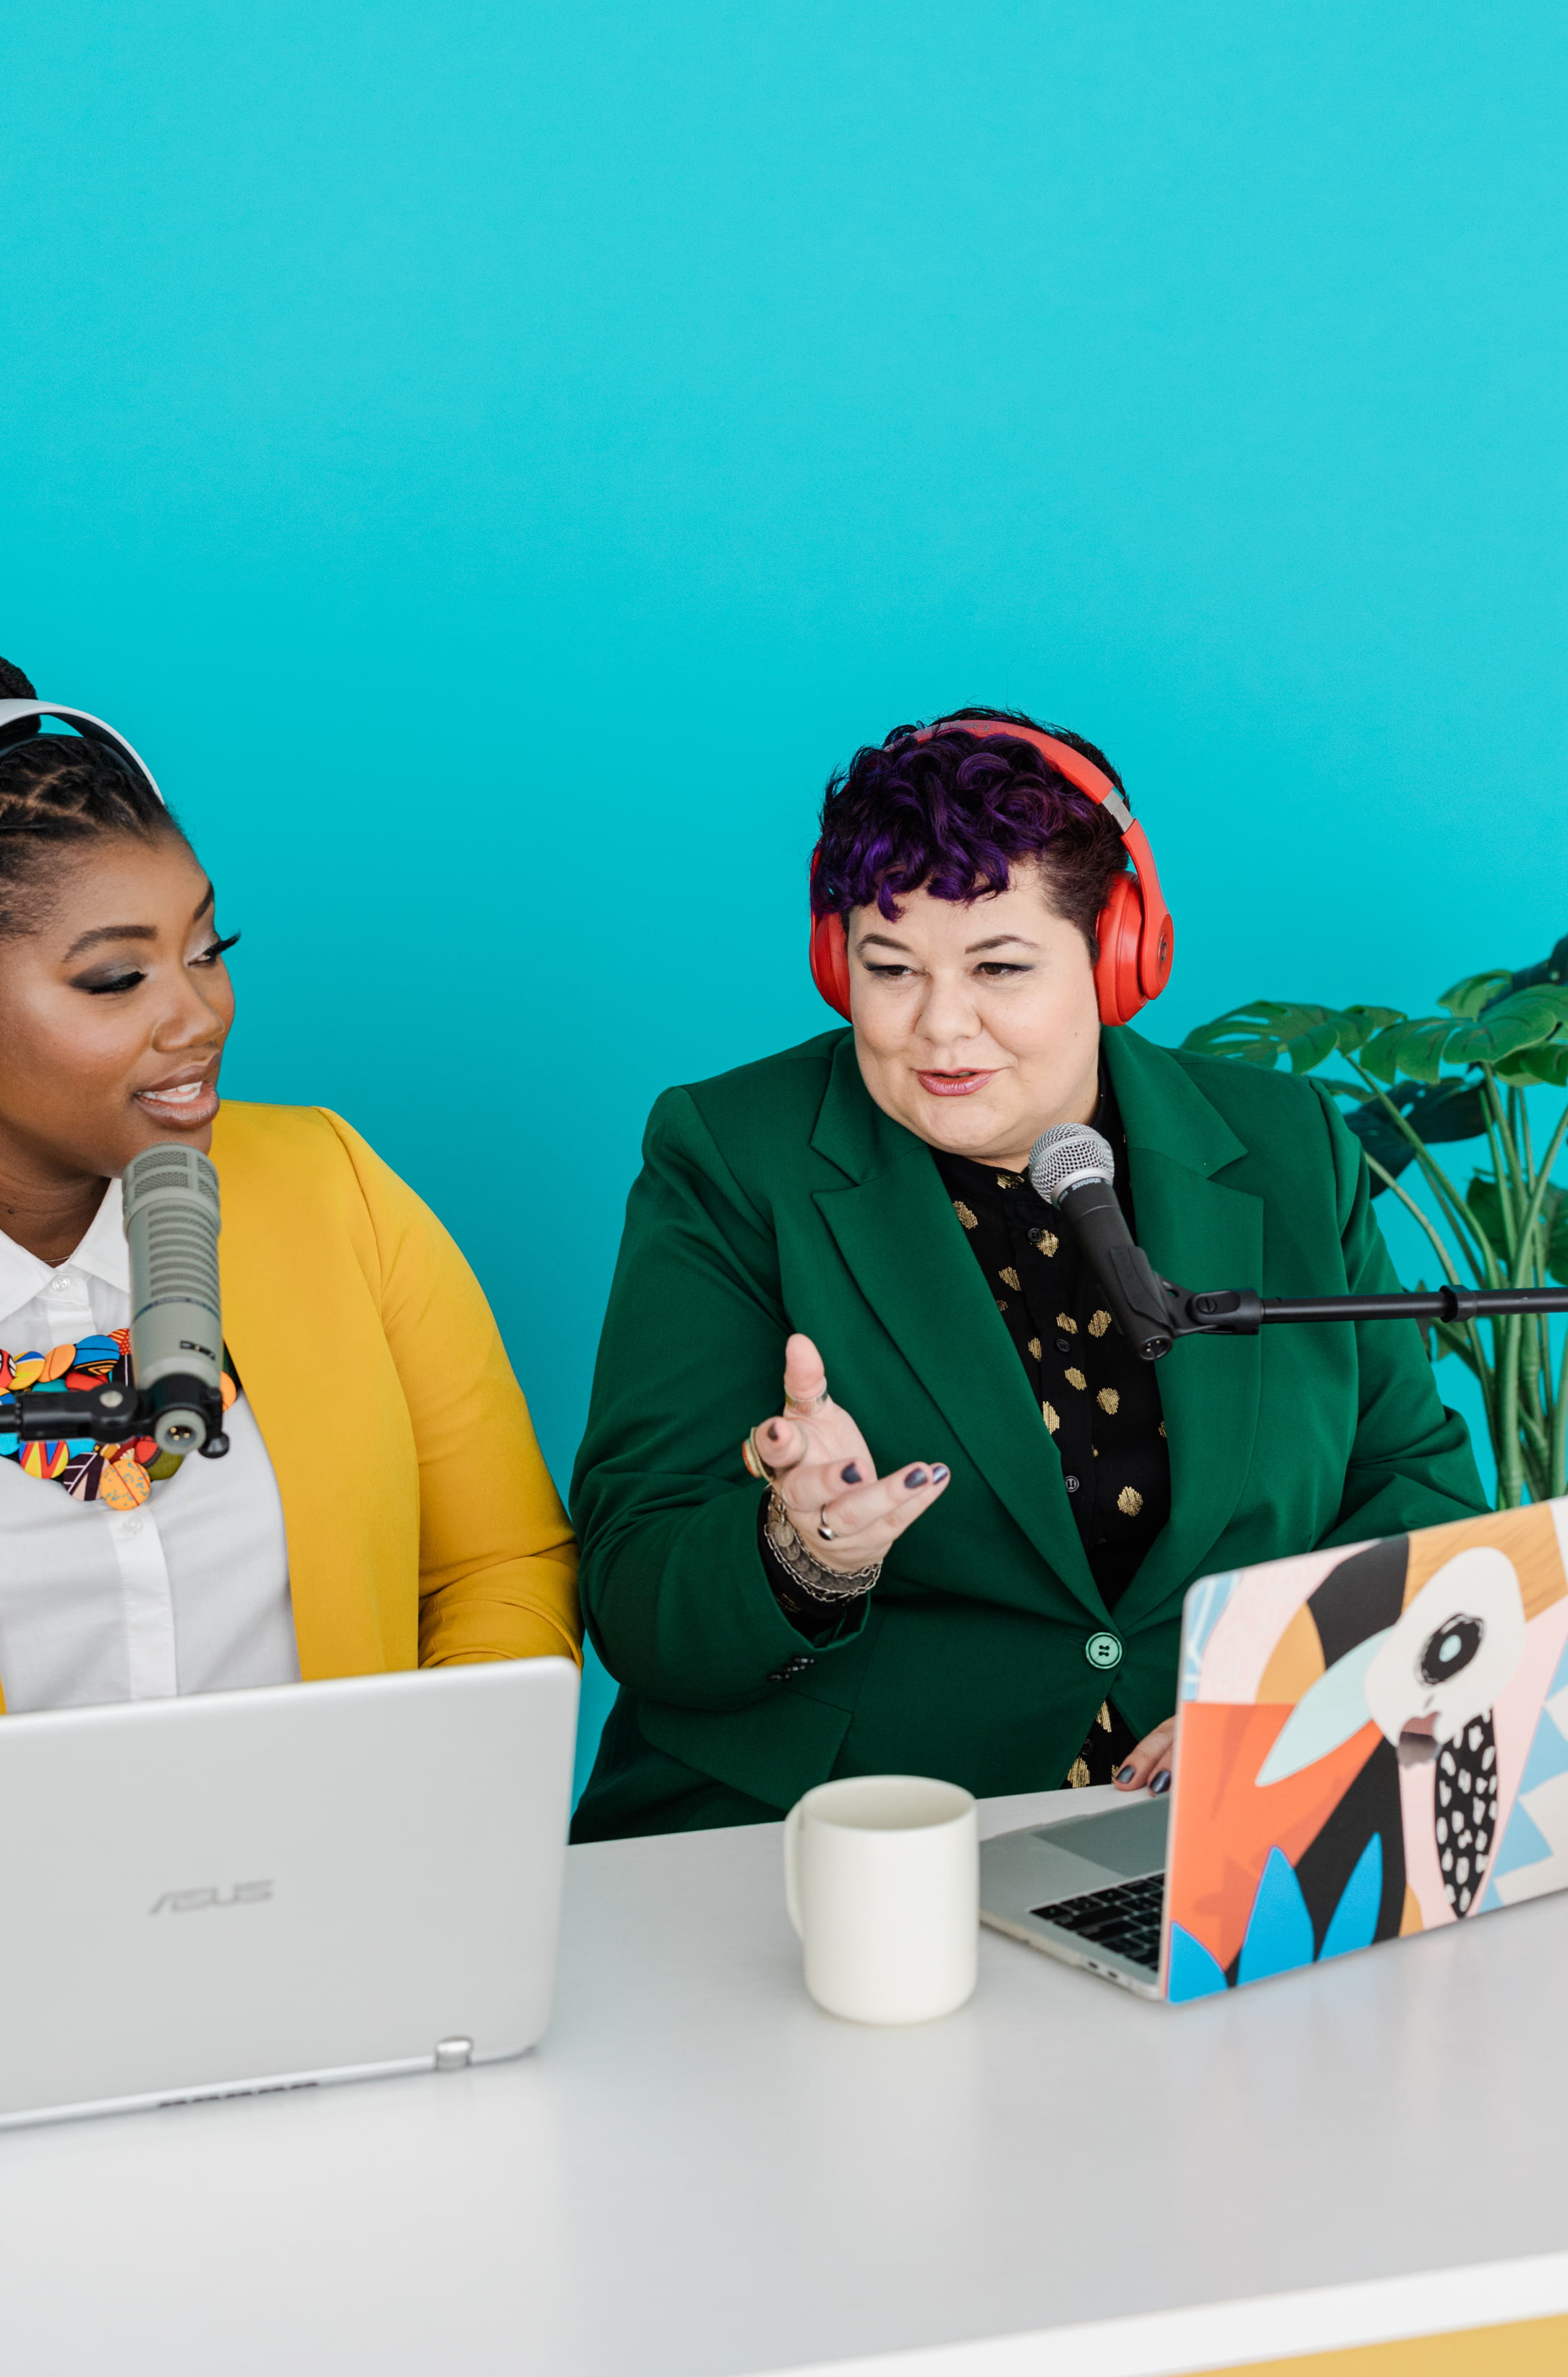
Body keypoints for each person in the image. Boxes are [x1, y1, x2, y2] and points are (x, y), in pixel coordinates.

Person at [568, 709, 1486, 1841]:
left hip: (1221, 1830)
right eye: (888, 967)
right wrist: (801, 1556)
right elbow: (632, 1590)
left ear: (1117, 955)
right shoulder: (731, 1154)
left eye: (1000, 967)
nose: (939, 1030)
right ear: (833, 963)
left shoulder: (1286, 1144)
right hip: (835, 1833)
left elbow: (1415, 1490)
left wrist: (1287, 1699)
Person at [0, 645, 579, 1731]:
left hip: (327, 1886)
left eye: (207, 949)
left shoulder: (334, 1188)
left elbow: (500, 1563)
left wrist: (426, 1786)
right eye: (116, 979)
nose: (201, 1017)